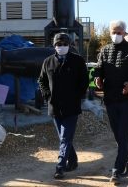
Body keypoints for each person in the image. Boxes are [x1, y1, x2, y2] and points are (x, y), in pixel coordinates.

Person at [92, 20, 128, 182]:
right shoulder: (104, 50)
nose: (116, 35)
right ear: (110, 33)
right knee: (118, 135)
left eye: (119, 32)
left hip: (126, 99)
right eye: (114, 32)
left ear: (124, 33)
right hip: (109, 98)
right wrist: (97, 77)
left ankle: (117, 168)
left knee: (124, 133)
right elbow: (99, 67)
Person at [38, 32, 89, 179]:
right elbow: (41, 81)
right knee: (63, 138)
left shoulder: (78, 61)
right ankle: (72, 160)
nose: (62, 47)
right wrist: (47, 96)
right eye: (59, 44)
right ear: (54, 46)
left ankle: (60, 166)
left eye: (65, 44)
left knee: (66, 137)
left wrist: (77, 96)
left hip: (71, 107)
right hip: (54, 107)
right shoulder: (48, 62)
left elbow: (84, 81)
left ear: (69, 45)